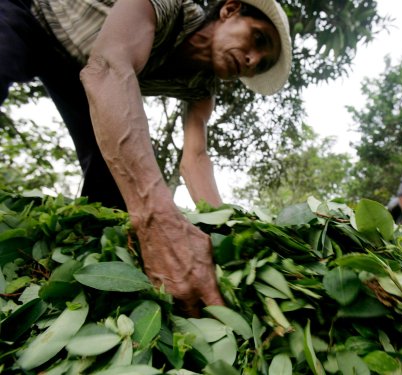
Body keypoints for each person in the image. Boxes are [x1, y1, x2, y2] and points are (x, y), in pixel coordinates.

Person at [0, 0, 292, 315]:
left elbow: (195, 159)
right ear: (230, 10)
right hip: (31, 14)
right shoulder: (170, 6)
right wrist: (157, 217)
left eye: (261, 64)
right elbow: (110, 68)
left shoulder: (202, 87)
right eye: (259, 39)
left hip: (76, 73)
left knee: (112, 189)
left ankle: (78, 277)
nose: (252, 59)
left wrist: (227, 232)